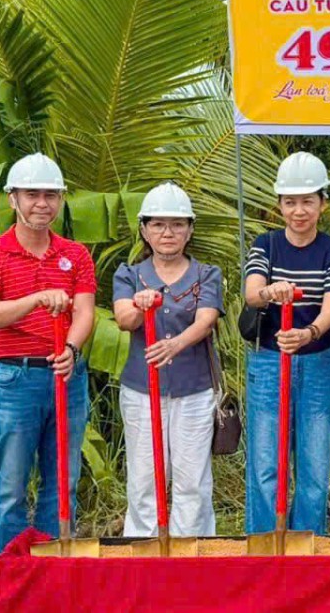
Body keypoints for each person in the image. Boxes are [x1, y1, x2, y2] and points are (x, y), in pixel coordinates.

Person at [0, 153, 97, 555]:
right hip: (15, 379)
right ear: (13, 199)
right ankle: (11, 568)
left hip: (67, 376)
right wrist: (37, 298)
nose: (42, 203)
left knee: (63, 480)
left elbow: (85, 312)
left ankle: (53, 567)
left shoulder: (76, 254)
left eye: (51, 195)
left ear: (61, 200)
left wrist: (71, 348)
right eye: (32, 195)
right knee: (10, 482)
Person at [243, 151, 330, 535]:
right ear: (280, 204)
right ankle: (265, 541)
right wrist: (270, 292)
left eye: (307, 201)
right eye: (290, 202)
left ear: (323, 203)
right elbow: (252, 293)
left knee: (314, 463)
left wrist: (309, 333)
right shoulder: (266, 245)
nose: (299, 211)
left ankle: (308, 543)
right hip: (270, 360)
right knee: (265, 461)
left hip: (319, 359)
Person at [112, 182, 223, 538]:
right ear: (145, 230)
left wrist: (175, 345)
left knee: (192, 480)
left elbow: (206, 320)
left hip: (195, 390)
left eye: (177, 224)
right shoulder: (129, 274)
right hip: (142, 392)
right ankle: (143, 551)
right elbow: (124, 319)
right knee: (144, 477)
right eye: (158, 224)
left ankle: (190, 552)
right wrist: (139, 306)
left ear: (190, 230)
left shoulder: (207, 274)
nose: (168, 233)